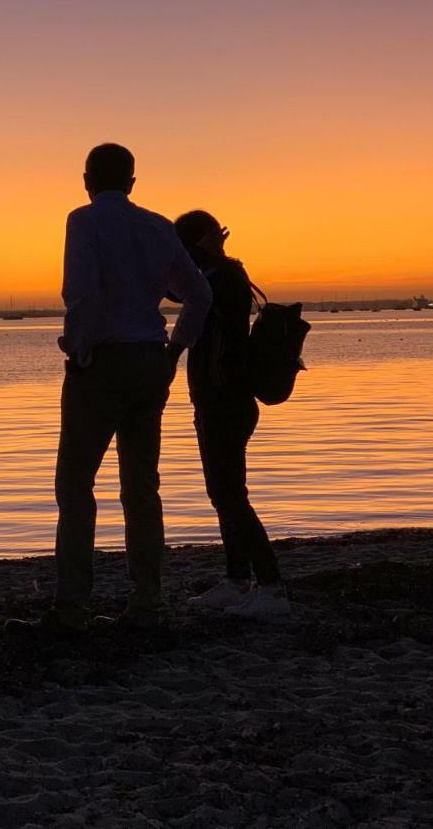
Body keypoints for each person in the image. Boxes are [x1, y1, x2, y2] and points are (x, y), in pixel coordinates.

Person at [7, 143, 212, 636]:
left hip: (101, 361)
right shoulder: (160, 227)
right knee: (141, 488)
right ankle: (147, 601)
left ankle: (73, 606)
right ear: (133, 182)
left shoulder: (83, 221)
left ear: (86, 180)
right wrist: (174, 353)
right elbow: (199, 295)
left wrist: (79, 352)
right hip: (149, 359)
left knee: (76, 486)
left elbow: (81, 292)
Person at [171, 210, 289, 619]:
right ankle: (237, 580)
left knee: (231, 496)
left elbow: (187, 297)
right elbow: (179, 291)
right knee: (223, 494)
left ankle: (271, 587)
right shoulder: (219, 277)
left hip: (225, 401)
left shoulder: (219, 281)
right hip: (218, 401)